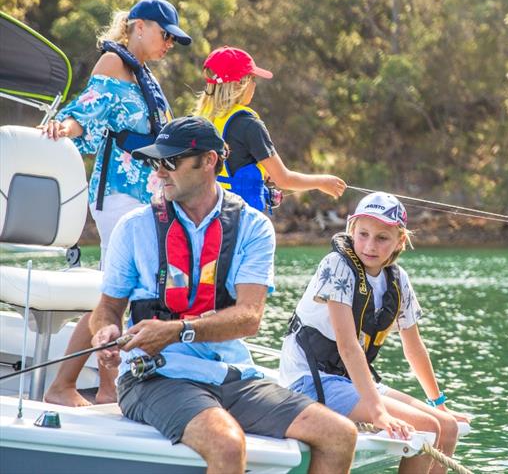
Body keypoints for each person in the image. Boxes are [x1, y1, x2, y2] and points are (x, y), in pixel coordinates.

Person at [90, 117, 357, 474]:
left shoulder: (253, 226)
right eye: (156, 162)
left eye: (171, 161)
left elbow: (249, 317)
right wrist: (106, 332)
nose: (160, 172)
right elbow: (108, 308)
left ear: (210, 161)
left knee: (340, 435)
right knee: (228, 445)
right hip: (156, 377)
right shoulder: (135, 226)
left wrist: (176, 330)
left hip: (233, 376)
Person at [41, 0, 192, 407]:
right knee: (117, 290)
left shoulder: (144, 75)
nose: (168, 45)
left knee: (116, 290)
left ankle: (96, 387)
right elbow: (84, 115)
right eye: (166, 36)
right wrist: (63, 128)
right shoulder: (113, 65)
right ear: (139, 26)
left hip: (144, 195)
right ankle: (84, 388)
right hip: (119, 193)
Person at [279, 191, 470, 474]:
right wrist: (378, 412)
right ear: (351, 230)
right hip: (310, 379)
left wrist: (438, 403)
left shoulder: (398, 279)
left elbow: (414, 347)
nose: (370, 245)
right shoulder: (336, 266)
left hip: (351, 380)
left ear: (399, 241)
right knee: (427, 428)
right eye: (363, 234)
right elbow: (347, 346)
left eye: (382, 238)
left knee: (448, 427)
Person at [193, 46, 346, 211]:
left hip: (207, 219)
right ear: (240, 83)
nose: (254, 85)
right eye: (252, 79)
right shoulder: (249, 125)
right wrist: (322, 182)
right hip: (243, 224)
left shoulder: (200, 121)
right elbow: (283, 179)